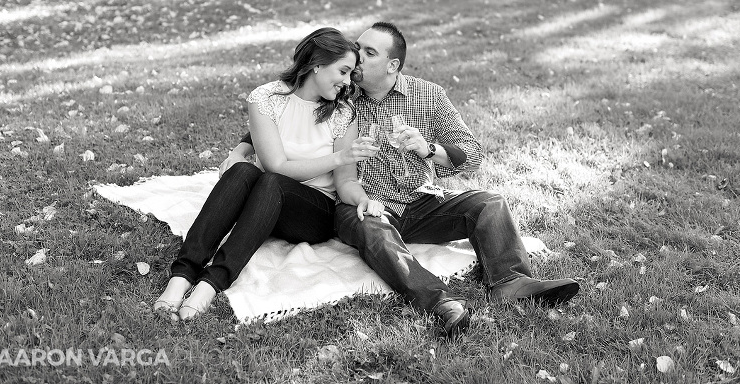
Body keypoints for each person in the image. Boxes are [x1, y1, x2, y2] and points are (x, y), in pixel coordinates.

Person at [229, 22, 580, 338]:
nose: (356, 60)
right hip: (363, 202)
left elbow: (472, 154)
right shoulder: (342, 92)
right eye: (357, 50)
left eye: (368, 53)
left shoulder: (428, 96)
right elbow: (289, 110)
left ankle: (510, 280)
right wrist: (243, 147)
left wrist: (429, 149)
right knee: (371, 227)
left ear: (393, 65)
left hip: (421, 200)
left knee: (489, 202)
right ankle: (441, 302)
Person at [154, 27, 383, 321]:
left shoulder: (342, 113)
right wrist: (238, 154)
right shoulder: (266, 98)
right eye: (343, 70)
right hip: (264, 203)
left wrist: (362, 198)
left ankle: (211, 283)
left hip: (313, 212)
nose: (347, 81)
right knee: (241, 172)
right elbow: (275, 163)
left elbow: (345, 181)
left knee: (271, 181)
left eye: (351, 73)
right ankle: (182, 276)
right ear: (317, 64)